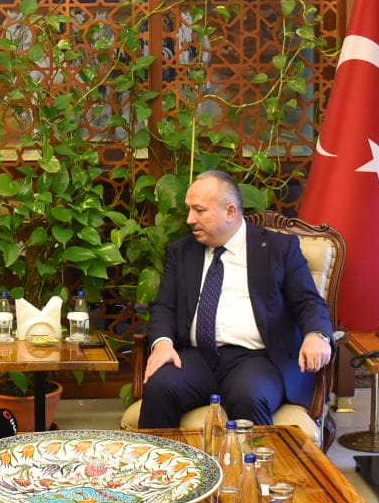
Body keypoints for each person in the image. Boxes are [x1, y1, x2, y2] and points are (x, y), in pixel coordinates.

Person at [139, 169, 332, 429]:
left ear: (230, 211)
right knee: (160, 388)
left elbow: (308, 301)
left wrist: (317, 335)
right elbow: (165, 305)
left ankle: (257, 458)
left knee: (249, 396)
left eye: (199, 210)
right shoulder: (182, 251)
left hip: (256, 359)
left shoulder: (278, 248)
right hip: (197, 357)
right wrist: (162, 343)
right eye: (189, 210)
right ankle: (160, 457)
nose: (189, 219)